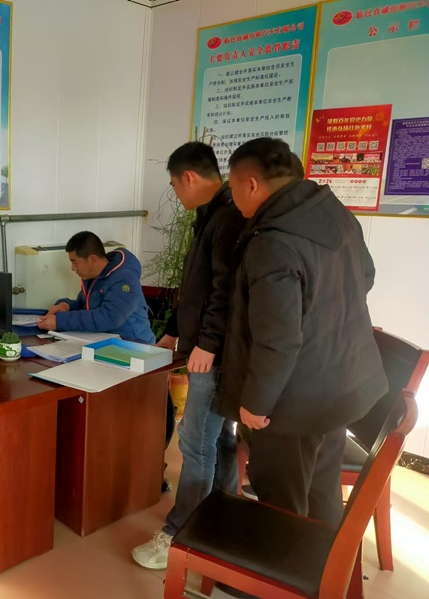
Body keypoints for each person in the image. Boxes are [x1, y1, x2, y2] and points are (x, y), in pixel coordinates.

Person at [220, 137, 388, 526]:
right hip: (338, 384)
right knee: (320, 488)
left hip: (294, 401)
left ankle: (281, 562)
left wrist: (256, 403)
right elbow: (365, 276)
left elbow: (277, 339)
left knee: (281, 498)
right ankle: (324, 562)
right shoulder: (335, 214)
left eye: (232, 186)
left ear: (250, 185)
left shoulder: (273, 243)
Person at [132, 141, 246, 570]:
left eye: (175, 185)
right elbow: (197, 285)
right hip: (206, 345)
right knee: (219, 438)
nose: (176, 194)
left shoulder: (227, 217)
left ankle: (181, 535)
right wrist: (174, 331)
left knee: (196, 442)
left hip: (213, 354)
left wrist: (207, 344)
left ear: (189, 178)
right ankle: (221, 517)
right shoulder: (211, 213)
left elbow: (224, 292)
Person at [37, 231, 155, 344]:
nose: (73, 268)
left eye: (75, 262)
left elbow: (109, 318)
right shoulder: (93, 277)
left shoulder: (125, 278)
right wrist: (66, 305)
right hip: (105, 341)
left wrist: (60, 321)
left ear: (92, 259)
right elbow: (86, 306)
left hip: (135, 345)